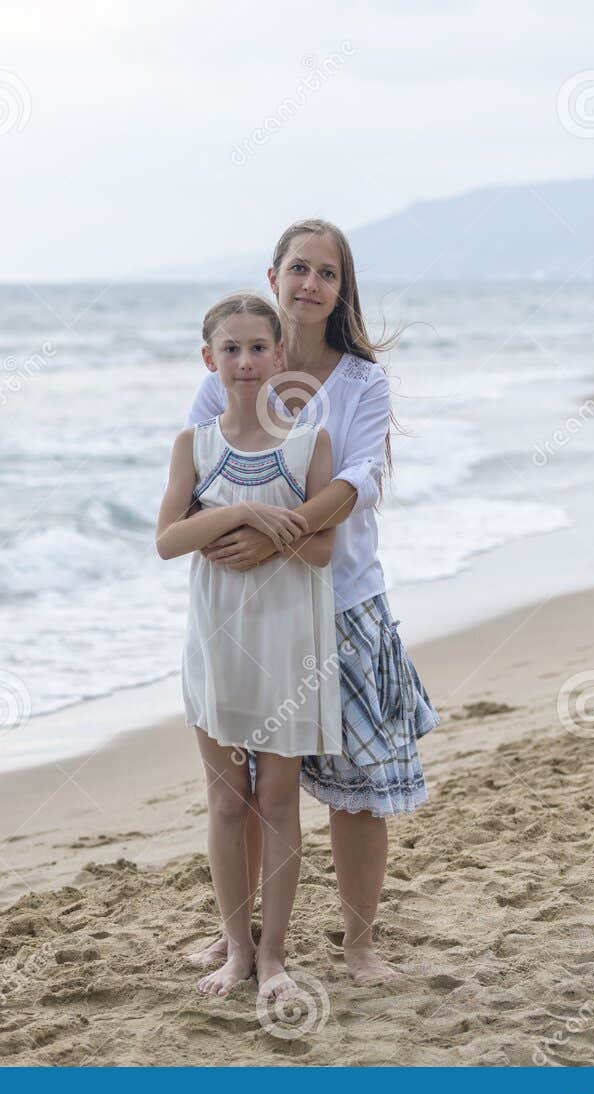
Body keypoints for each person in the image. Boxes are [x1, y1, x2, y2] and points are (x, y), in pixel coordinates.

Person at [182, 219, 441, 985]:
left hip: (344, 604)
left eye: (327, 273)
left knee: (358, 793)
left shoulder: (361, 382)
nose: (310, 284)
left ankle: (359, 943)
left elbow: (357, 483)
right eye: (299, 268)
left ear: (341, 289)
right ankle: (241, 937)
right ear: (274, 276)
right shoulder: (236, 366)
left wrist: (276, 537)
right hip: (253, 613)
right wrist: (253, 538)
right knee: (249, 790)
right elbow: (199, 482)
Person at [157, 291, 340, 1001]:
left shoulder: (308, 443)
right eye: (229, 349)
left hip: (287, 644)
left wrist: (270, 534)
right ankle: (236, 950)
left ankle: (274, 957)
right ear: (209, 359)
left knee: (278, 801)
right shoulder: (194, 446)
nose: (244, 361)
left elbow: (321, 550)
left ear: (279, 354)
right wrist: (243, 510)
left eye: (258, 347)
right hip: (218, 645)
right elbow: (168, 540)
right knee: (229, 803)